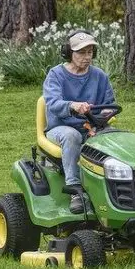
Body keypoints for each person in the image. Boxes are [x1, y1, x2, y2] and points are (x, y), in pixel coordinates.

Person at [43, 29, 115, 214]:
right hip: (60, 128)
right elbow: (52, 103)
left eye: (90, 52)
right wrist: (73, 106)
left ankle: (111, 188)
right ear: (69, 53)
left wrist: (103, 117)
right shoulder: (56, 75)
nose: (86, 57)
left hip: (92, 126)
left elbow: (109, 104)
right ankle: (75, 191)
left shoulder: (100, 76)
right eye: (81, 52)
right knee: (72, 136)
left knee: (114, 137)